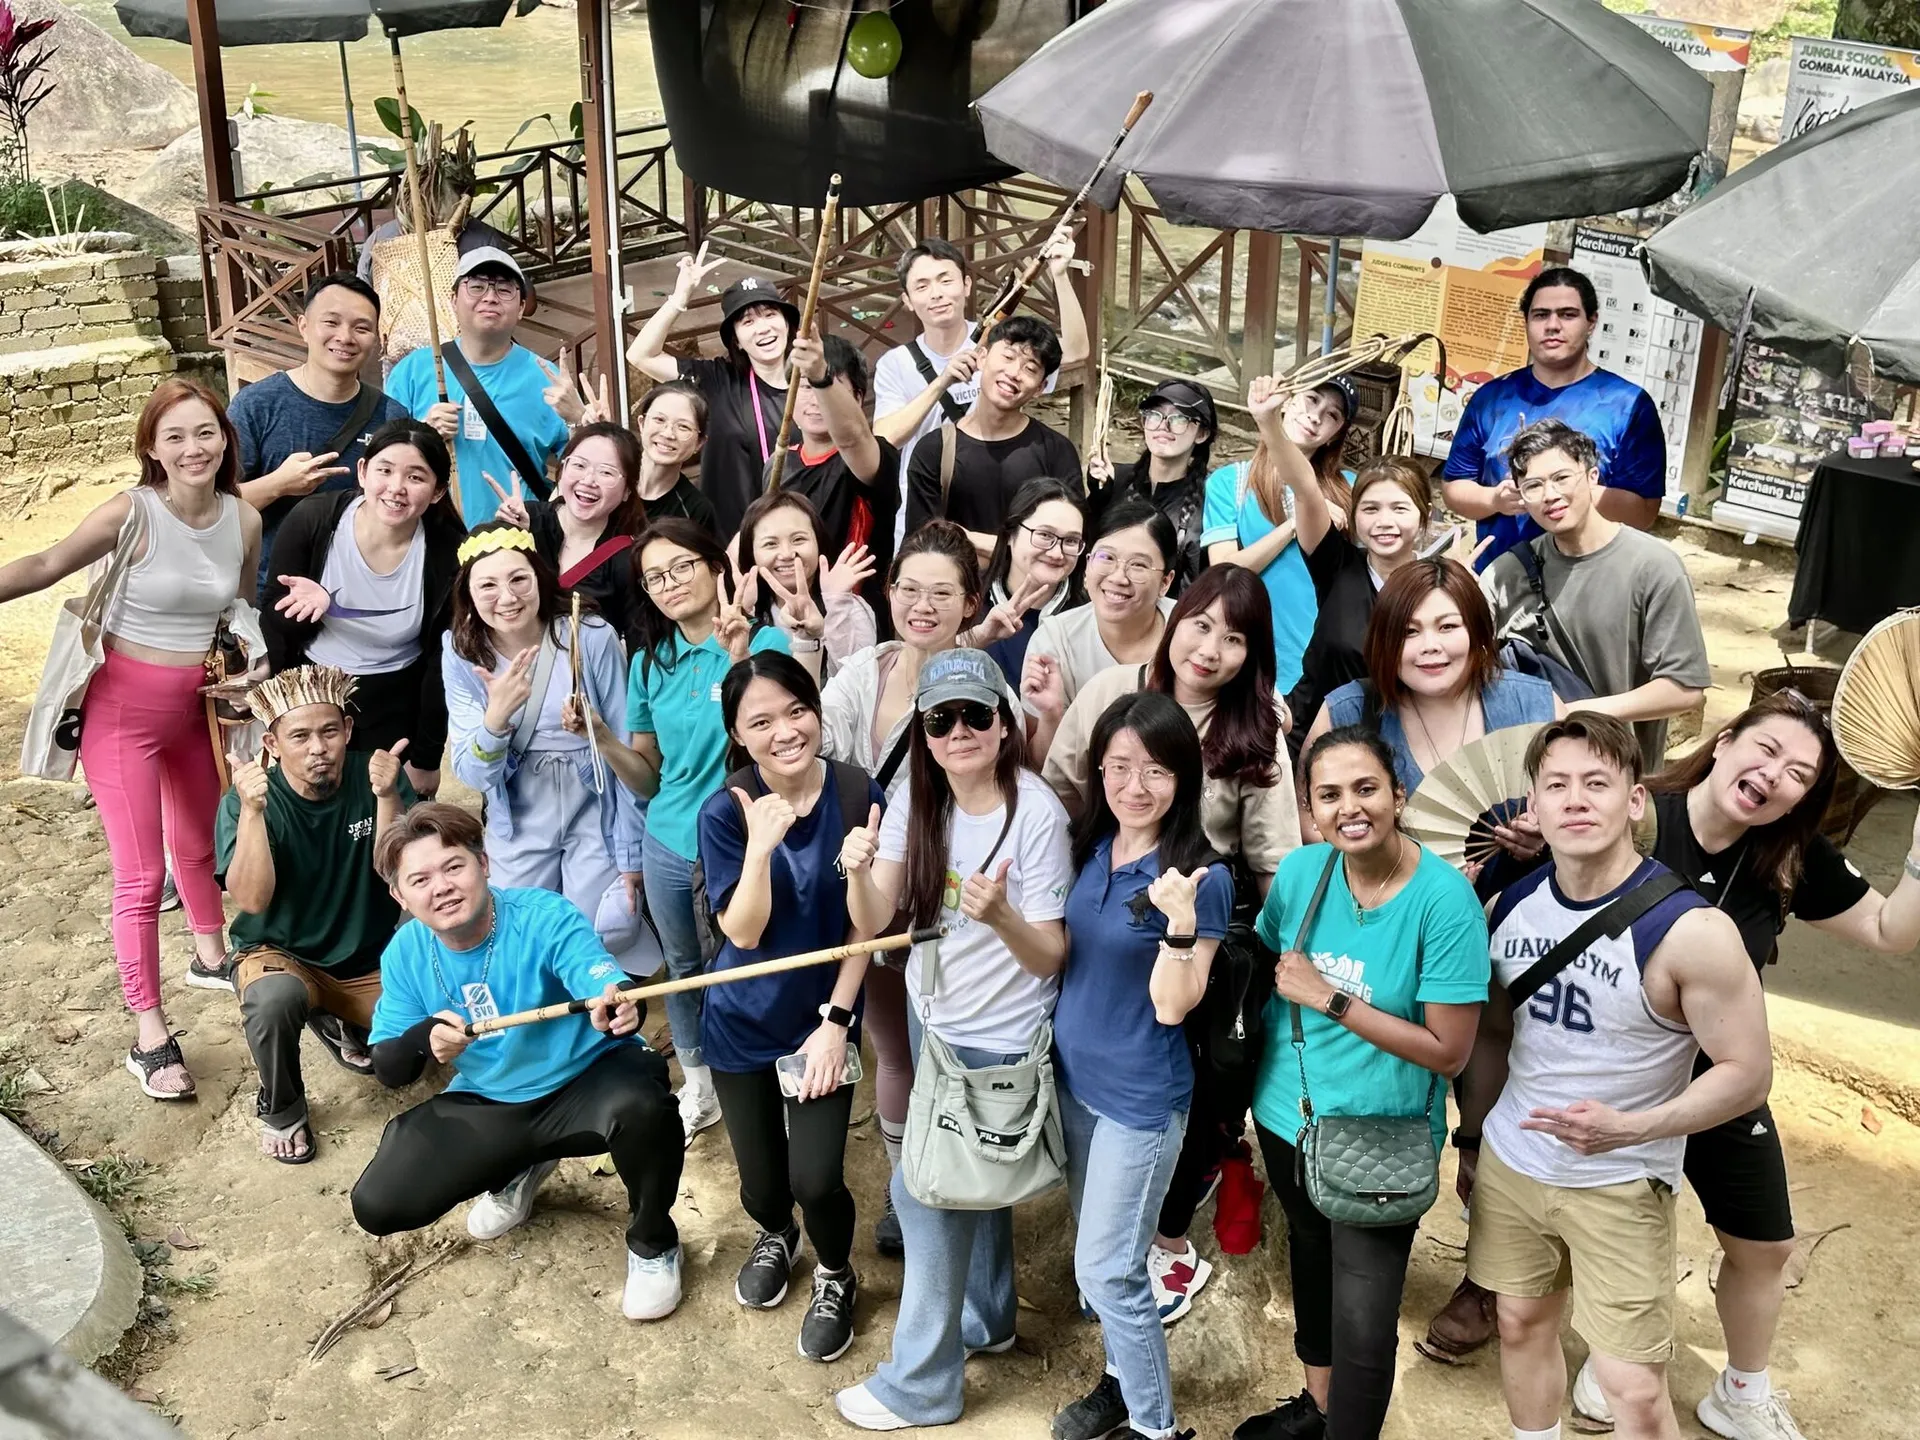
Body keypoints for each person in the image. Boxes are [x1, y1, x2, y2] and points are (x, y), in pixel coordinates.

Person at [1559, 692, 1920, 1440]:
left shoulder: (1789, 857)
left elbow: (1891, 932)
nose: (1775, 775)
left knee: (1766, 1245)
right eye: (1767, 749)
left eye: (1799, 774)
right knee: (1621, 1225)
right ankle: (1616, 1355)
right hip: (1612, 1070)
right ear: (1725, 742)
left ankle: (1743, 1390)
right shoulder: (1636, 810)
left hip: (1719, 1075)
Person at [1458, 713, 1772, 1440]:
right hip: (1514, 1159)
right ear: (1533, 806)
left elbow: (1747, 1074)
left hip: (1622, 1180)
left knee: (1630, 1386)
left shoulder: (1693, 931)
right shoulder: (1508, 906)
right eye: (1556, 785)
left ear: (1635, 801)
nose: (1575, 800)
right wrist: (1472, 1140)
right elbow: (1496, 1035)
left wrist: (1632, 1128)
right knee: (1519, 1322)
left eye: (1596, 783)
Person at [1041, 564, 1301, 1321]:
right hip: (1103, 910)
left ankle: (1166, 1236)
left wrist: (1275, 967)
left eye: (1236, 639)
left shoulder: (1258, 732)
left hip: (1203, 922)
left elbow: (1273, 861)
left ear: (1255, 655)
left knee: (1205, 1082)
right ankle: (1111, 1242)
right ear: (1173, 616)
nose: (1211, 649)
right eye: (1201, 624)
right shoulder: (1112, 691)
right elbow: (1061, 789)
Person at [833, 649, 1075, 1432]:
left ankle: (923, 1386)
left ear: (1005, 725)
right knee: (966, 1189)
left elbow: (1051, 953)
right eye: (941, 719)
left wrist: (1000, 916)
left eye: (977, 714)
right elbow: (875, 920)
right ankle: (989, 1316)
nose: (959, 731)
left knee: (926, 1193)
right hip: (936, 1024)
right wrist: (857, 870)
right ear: (924, 733)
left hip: (997, 1041)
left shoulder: (1035, 815)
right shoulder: (917, 798)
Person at [0, 379, 260, 1099]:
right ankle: (149, 1033)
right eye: (174, 436)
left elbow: (239, 607)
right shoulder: (132, 512)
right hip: (122, 717)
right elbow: (45, 564)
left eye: (205, 432)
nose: (193, 448)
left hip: (197, 711)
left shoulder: (242, 517)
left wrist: (249, 664)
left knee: (199, 845)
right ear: (152, 447)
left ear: (225, 439)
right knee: (142, 877)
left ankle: (211, 956)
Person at [1233, 726, 1488, 1440]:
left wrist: (1332, 998)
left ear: (1398, 795)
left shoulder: (1444, 904)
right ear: (1310, 810)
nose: (1350, 807)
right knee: (1311, 1260)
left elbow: (1448, 1052)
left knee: (1366, 1321)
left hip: (1383, 1134)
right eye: (1329, 795)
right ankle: (1318, 1407)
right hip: (1288, 1114)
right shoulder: (1302, 873)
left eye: (1366, 788)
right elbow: (1267, 967)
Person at [351, 804, 686, 1320]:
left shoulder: (541, 914)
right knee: (379, 1202)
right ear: (400, 895)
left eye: (454, 866)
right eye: (420, 879)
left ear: (484, 863)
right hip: (492, 1098)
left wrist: (618, 1006)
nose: (442, 887)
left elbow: (601, 979)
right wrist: (422, 1040)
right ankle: (518, 1169)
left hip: (589, 1080)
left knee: (642, 1108)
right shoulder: (404, 953)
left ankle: (654, 1243)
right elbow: (390, 1066)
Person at [817, 521, 1020, 1256]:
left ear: (971, 603)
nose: (921, 605)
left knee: (948, 1049)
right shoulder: (862, 670)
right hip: (869, 893)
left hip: (949, 908)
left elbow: (1005, 789)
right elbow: (817, 747)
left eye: (942, 592)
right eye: (908, 588)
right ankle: (908, 1188)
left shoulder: (987, 689)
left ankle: (961, 1184)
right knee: (893, 1050)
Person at [1049, 691, 1233, 1440]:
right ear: (1099, 770)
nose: (1135, 785)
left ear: (1183, 778)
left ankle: (1157, 1429)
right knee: (1104, 1262)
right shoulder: (1092, 847)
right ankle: (1120, 1381)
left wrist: (1180, 928)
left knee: (1109, 1270)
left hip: (1140, 1101)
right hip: (1075, 1087)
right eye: (1119, 766)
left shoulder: (1199, 877)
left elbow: (1172, 1005)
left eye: (1156, 770)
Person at [696, 652, 886, 1363]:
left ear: (817, 710)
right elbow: (742, 933)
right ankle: (777, 1234)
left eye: (797, 710)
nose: (785, 732)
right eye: (761, 722)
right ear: (737, 734)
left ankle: (835, 1273)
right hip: (740, 1018)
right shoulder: (726, 811)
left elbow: (868, 928)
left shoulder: (858, 792)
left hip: (821, 1019)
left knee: (817, 1177)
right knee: (763, 1184)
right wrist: (759, 852)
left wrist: (837, 1024)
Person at [594, 518, 797, 1143]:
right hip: (666, 838)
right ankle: (701, 1086)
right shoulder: (649, 663)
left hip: (740, 837)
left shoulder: (766, 642)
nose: (670, 583)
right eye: (655, 577)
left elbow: (774, 743)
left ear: (715, 567)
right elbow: (648, 777)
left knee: (753, 958)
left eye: (682, 566)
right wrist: (602, 739)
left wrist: (739, 660)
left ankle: (771, 1076)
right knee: (683, 968)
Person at [215, 665, 415, 1161]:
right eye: (299, 736)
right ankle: (282, 1108)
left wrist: (388, 797)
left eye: (329, 732)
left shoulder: (378, 777)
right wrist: (253, 813)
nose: (318, 748)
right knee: (274, 1000)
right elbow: (252, 900)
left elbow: (394, 877)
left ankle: (336, 1017)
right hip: (280, 954)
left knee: (403, 1063)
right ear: (272, 743)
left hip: (366, 960)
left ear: (347, 729)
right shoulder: (247, 800)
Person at [441, 522, 647, 970]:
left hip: (592, 801)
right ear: (468, 594)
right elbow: (472, 773)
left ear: (540, 576)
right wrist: (496, 719)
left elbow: (625, 744)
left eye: (519, 579)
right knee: (520, 936)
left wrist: (631, 855)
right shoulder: (461, 651)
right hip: (518, 810)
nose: (507, 597)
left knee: (603, 930)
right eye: (488, 585)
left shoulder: (589, 634)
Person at [1481, 418, 1710, 774]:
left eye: (1561, 478)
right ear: (1521, 497)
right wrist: (1450, 592)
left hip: (1619, 773)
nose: (1550, 495)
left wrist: (1573, 714)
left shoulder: (1654, 567)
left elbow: (1685, 688)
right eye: (1534, 486)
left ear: (1592, 477)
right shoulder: (1505, 574)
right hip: (1530, 775)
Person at [262, 418, 465, 799]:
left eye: (415, 477)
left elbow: (443, 661)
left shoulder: (447, 552)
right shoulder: (314, 519)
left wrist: (426, 757)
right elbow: (273, 626)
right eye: (384, 470)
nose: (396, 487)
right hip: (315, 698)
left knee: (392, 822)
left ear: (438, 491)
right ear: (362, 471)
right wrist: (309, 611)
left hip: (397, 704)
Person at [1441, 266, 1666, 569]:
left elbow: (1645, 512)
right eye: (1541, 315)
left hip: (1591, 577)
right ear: (1526, 322)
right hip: (1501, 577)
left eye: (1568, 314)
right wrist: (1495, 499)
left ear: (1591, 322)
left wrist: (1573, 491)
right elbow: (1454, 487)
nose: (1553, 326)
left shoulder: (1628, 405)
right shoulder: (1491, 398)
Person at [1304, 557, 1562, 796]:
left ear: (1477, 631)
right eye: (1409, 631)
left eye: (1447, 627)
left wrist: (1545, 825)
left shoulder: (1533, 705)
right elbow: (1310, 812)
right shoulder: (1347, 712)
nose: (1430, 646)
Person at [227, 272, 408, 589]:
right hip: (275, 592)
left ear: (375, 338)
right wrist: (279, 484)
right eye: (331, 322)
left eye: (361, 328)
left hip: (361, 591)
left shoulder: (391, 416)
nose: (345, 337)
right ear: (304, 326)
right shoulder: (256, 406)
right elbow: (215, 509)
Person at [1266, 411, 1434, 750]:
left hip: (1391, 750)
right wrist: (1268, 421)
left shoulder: (1437, 588)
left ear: (1424, 516)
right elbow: (1304, 488)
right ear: (1354, 516)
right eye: (1370, 509)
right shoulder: (1337, 564)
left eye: (1399, 508)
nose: (1384, 521)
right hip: (1304, 738)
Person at [389, 248, 586, 529]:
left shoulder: (548, 379)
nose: (490, 297)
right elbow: (380, 459)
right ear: (453, 300)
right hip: (429, 536)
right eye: (477, 286)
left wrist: (581, 420)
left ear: (521, 307)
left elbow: (581, 467)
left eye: (504, 289)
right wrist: (422, 434)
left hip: (517, 537)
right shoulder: (413, 370)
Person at [871, 234, 1087, 460]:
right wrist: (942, 382)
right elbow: (886, 438)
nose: (936, 294)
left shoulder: (1002, 344)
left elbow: (1076, 350)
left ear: (966, 285)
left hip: (997, 477)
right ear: (907, 300)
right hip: (925, 482)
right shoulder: (895, 363)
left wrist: (1060, 275)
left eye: (946, 281)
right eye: (922, 286)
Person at [1203, 374, 1355, 693]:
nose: (1316, 416)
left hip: (1327, 662)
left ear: (1335, 435)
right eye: (1312, 399)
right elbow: (1225, 569)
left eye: (1332, 414)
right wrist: (1299, 521)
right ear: (1287, 401)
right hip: (1250, 660)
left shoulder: (1351, 488)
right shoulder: (1230, 482)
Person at [628, 254, 796, 540]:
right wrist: (679, 299)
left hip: (791, 537)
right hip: (727, 541)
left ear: (787, 323)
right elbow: (641, 355)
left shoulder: (811, 384)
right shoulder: (717, 379)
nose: (763, 328)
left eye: (770, 315)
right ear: (736, 341)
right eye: (747, 321)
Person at [901, 315, 1084, 558]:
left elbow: (1069, 542)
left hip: (1028, 582)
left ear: (1040, 388)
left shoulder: (1056, 451)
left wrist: (964, 537)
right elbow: (920, 544)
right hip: (957, 582)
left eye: (1030, 368)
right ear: (982, 358)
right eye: (1008, 357)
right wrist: (1019, 547)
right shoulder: (935, 449)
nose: (1014, 373)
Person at [1023, 502, 1180, 764]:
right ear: (1087, 566)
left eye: (1138, 565)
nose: (1118, 577)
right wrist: (1052, 714)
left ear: (1166, 582)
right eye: (1106, 558)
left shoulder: (1190, 630)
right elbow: (1038, 768)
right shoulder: (1055, 640)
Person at [775, 327, 900, 617]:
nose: (815, 399)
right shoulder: (778, 463)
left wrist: (820, 374)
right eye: (805, 387)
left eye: (832, 388)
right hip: (791, 615)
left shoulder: (873, 457)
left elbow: (852, 437)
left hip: (855, 617)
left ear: (858, 399)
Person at [487, 422, 647, 639]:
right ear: (562, 471)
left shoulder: (629, 559)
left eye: (606, 472)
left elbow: (639, 641)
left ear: (628, 490)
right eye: (579, 465)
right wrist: (510, 539)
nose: (588, 480)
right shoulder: (526, 519)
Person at [1088, 379, 1218, 592]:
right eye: (1155, 415)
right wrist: (1097, 498)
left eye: (1179, 418)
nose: (1163, 426)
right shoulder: (1118, 479)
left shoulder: (1212, 497)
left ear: (1202, 433)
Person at [735, 490, 877, 675]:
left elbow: (860, 679)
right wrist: (745, 613)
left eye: (799, 539)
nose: (787, 554)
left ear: (819, 543)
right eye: (770, 544)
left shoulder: (849, 608)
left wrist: (837, 604)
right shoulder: (749, 611)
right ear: (751, 553)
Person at [960, 478, 1086, 686]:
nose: (1057, 553)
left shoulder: (1088, 617)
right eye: (1044, 535)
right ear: (1010, 535)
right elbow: (919, 663)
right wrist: (977, 638)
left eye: (1071, 541)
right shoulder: (963, 597)